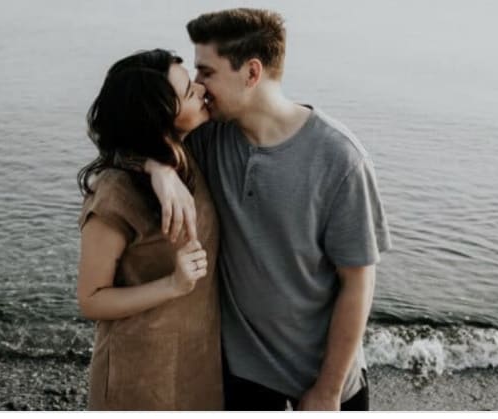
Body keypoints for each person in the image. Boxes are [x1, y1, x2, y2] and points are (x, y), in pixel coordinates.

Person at [143, 9, 392, 411]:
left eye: (207, 72)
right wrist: (158, 167)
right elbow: (121, 132)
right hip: (243, 377)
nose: (198, 85)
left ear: (251, 72)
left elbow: (358, 282)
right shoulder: (208, 137)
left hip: (326, 378)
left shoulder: (340, 159)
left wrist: (328, 390)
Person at [75, 49, 223, 410]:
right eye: (188, 91)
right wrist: (172, 285)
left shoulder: (188, 154)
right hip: (138, 374)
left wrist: (159, 166)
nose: (201, 89)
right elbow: (91, 299)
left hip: (199, 364)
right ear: (158, 118)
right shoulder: (114, 194)